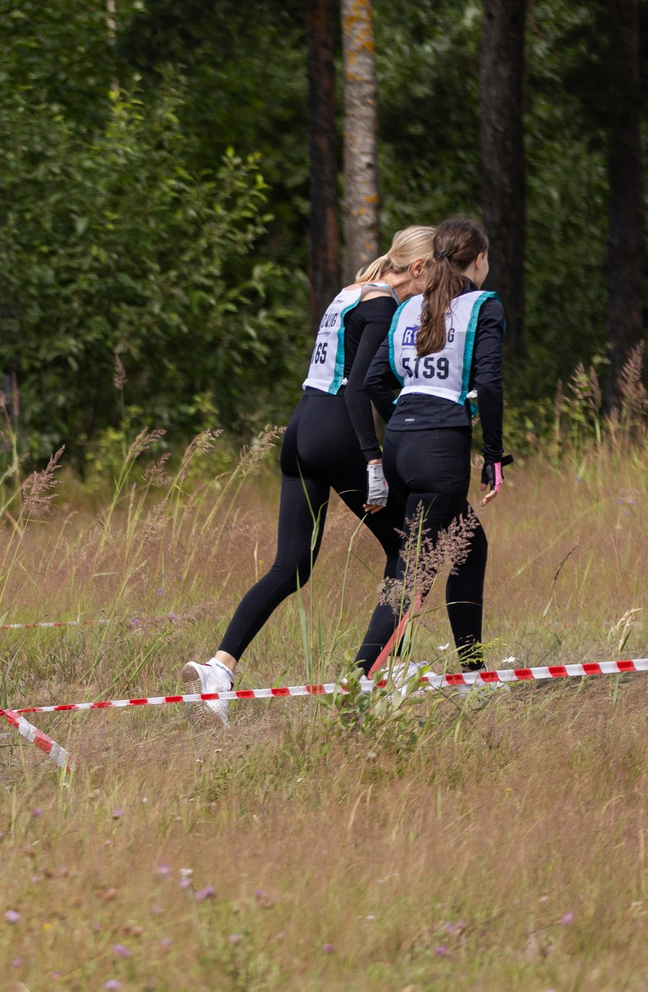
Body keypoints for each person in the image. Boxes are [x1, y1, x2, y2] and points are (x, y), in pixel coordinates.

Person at [180, 226, 434, 724]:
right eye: (436, 276)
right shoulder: (383, 304)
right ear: (420, 269)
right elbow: (361, 386)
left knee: (292, 564)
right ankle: (382, 671)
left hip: (301, 427)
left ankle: (219, 668)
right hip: (338, 429)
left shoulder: (351, 291)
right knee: (415, 547)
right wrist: (375, 458)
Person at [355, 217, 511, 672]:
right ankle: (356, 680)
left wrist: (407, 417)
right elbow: (491, 386)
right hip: (439, 451)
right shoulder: (483, 305)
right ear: (478, 260)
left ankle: (474, 670)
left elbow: (373, 381)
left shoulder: (407, 308)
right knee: (412, 575)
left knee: (469, 546)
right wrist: (495, 457)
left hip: (401, 445)